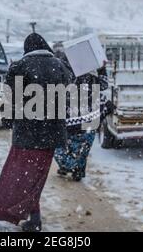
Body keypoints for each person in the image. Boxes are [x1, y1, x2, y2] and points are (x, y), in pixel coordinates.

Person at [0, 33, 74, 232]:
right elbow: (68, 101)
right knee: (36, 178)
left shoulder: (19, 67)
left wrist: (8, 121)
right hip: (51, 135)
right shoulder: (61, 67)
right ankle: (32, 217)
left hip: (26, 134)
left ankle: (25, 215)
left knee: (20, 177)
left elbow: (9, 99)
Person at [53, 43, 110, 181]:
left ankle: (67, 166)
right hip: (85, 120)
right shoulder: (88, 77)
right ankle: (77, 169)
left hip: (69, 120)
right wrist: (102, 70)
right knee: (82, 147)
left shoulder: (64, 77)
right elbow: (104, 84)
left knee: (63, 147)